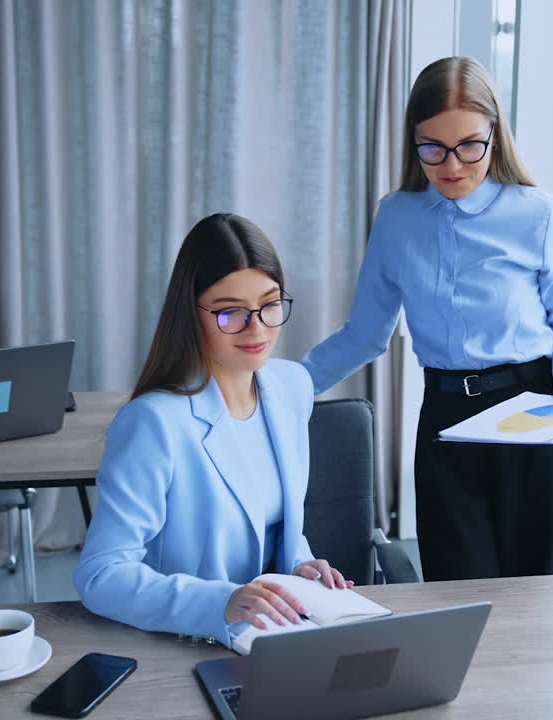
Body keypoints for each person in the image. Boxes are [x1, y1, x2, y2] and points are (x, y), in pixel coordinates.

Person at [302, 57, 553, 581]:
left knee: (544, 614)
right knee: (460, 602)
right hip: (447, 423)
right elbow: (365, 336)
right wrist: (281, 389)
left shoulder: (538, 213)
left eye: (469, 146)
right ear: (413, 142)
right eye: (432, 147)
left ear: (494, 136)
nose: (452, 165)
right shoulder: (397, 217)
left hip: (537, 419)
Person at [75, 213, 353, 647]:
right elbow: (101, 574)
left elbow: (277, 523)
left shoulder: (290, 387)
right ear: (192, 315)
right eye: (230, 313)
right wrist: (220, 603)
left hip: (273, 634)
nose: (257, 326)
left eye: (270, 303)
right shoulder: (154, 422)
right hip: (183, 642)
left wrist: (299, 565)